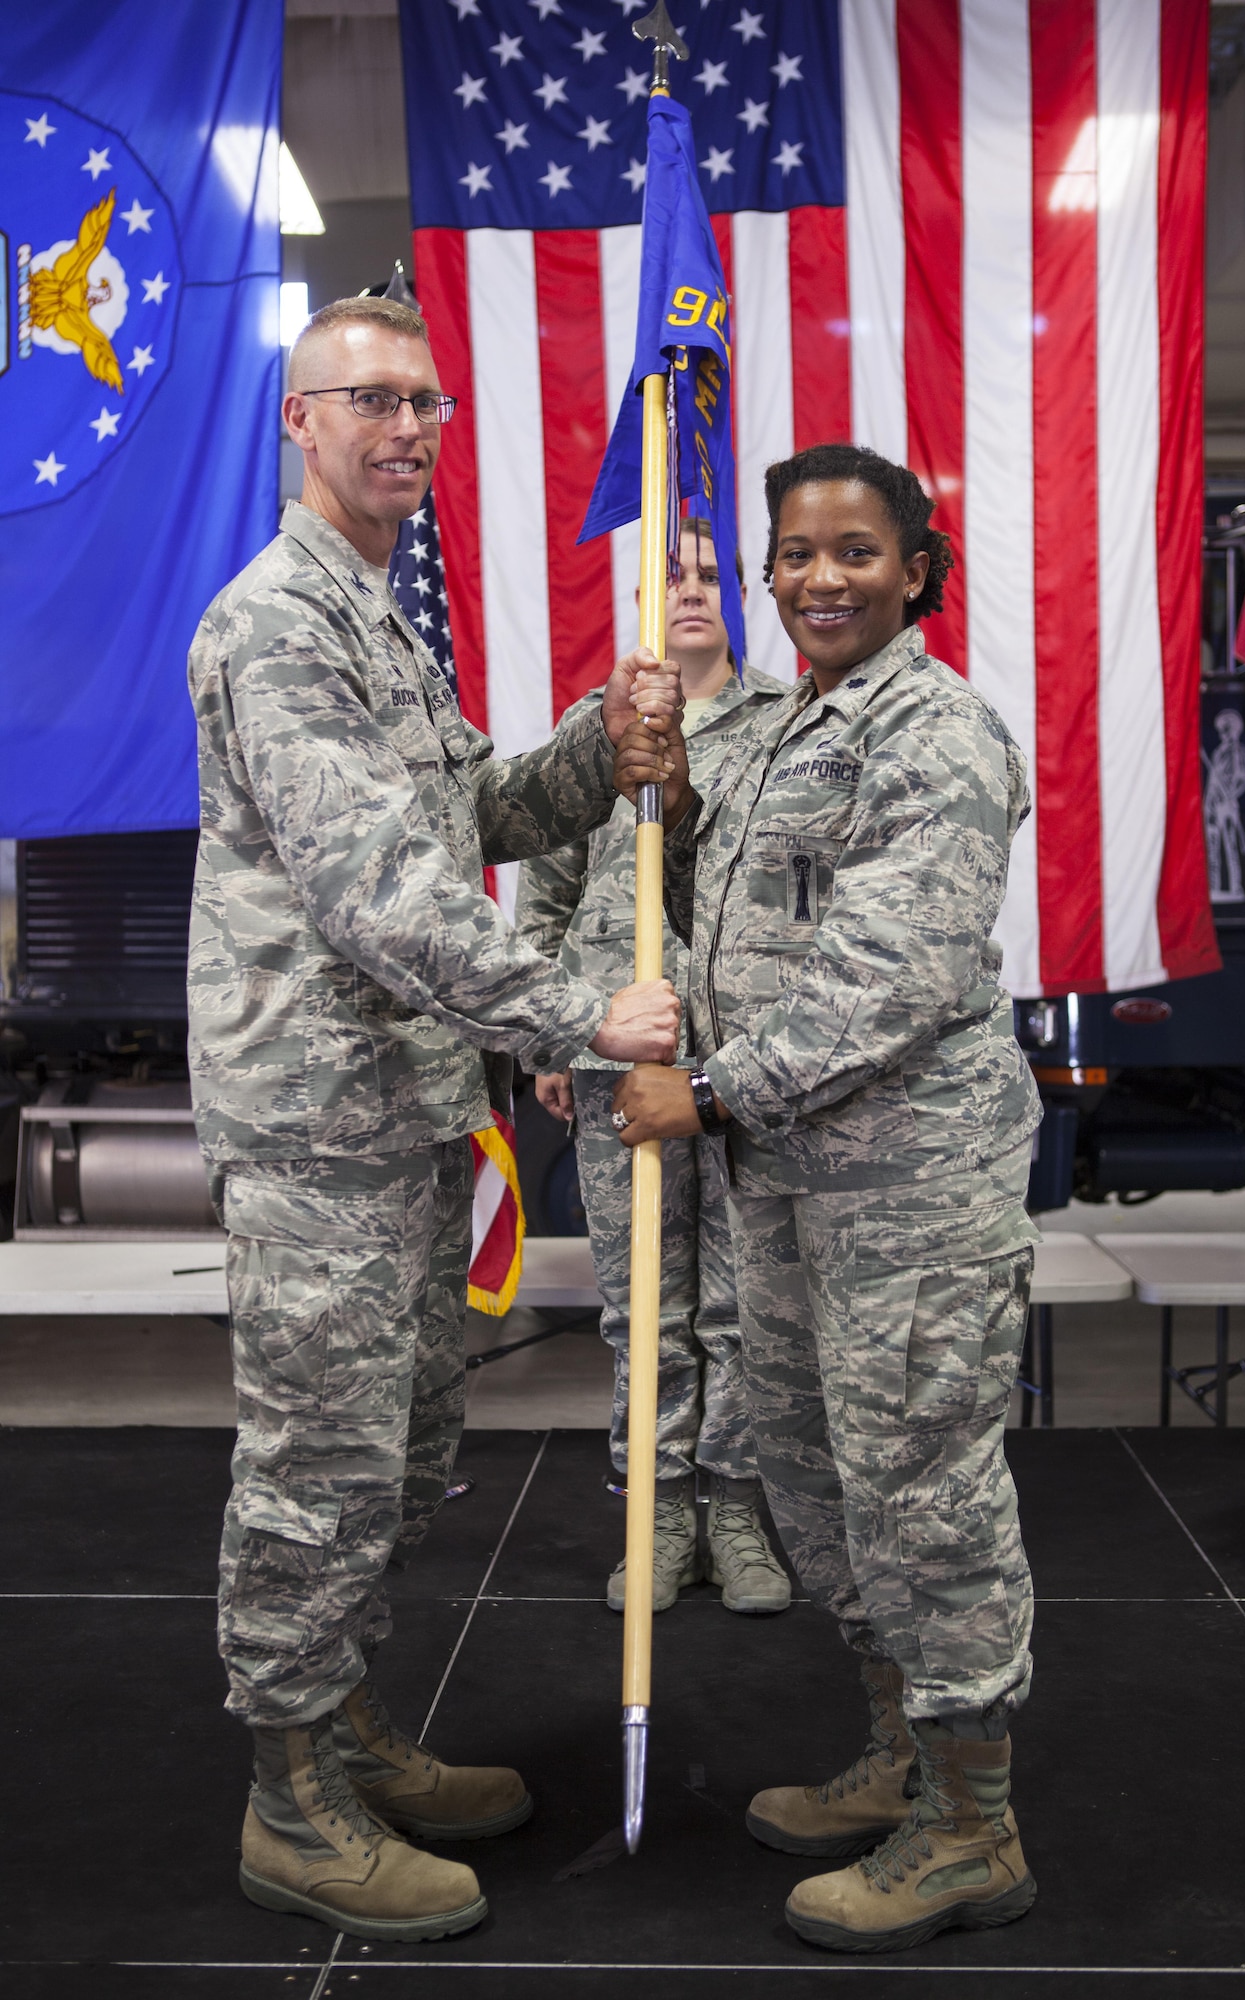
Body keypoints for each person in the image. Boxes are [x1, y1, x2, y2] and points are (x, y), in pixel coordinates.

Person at [187, 294, 682, 1945]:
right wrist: (574, 1011)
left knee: (397, 1456)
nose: (407, 429)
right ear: (299, 423)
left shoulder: (378, 624)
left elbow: (464, 800)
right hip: (315, 1116)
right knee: (317, 1464)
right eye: (372, 400)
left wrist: (593, 754)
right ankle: (288, 1799)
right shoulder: (276, 624)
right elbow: (377, 887)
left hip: (396, 1111)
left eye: (427, 403)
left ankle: (336, 1725)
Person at [612, 443, 1043, 1954]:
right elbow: (718, 924)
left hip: (908, 1195)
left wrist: (711, 1093)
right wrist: (664, 792)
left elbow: (889, 979)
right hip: (791, 1192)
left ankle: (972, 1826)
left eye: (855, 553)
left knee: (924, 1495)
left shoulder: (934, 734)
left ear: (915, 571)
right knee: (815, 1480)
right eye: (796, 554)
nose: (818, 579)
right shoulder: (792, 726)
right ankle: (902, 1757)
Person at [515, 519, 791, 1616]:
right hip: (617, 1055)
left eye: (708, 574)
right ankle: (657, 1506)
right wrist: (551, 1034)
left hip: (743, 1059)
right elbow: (542, 893)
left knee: (743, 1299)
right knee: (644, 1301)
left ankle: (735, 1502)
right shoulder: (599, 728)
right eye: (666, 576)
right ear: (630, 595)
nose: (689, 592)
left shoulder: (781, 726)